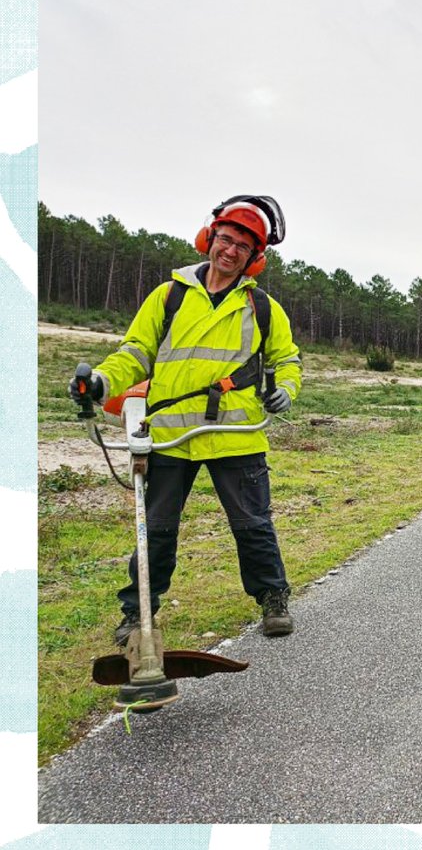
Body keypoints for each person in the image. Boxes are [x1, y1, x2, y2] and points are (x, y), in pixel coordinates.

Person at [70, 195, 303, 645]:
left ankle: (273, 598)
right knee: (155, 529)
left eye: (242, 247)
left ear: (255, 258)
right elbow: (135, 353)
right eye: (225, 239)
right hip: (170, 434)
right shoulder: (169, 296)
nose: (230, 251)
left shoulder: (262, 308)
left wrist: (286, 391)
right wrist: (101, 381)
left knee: (253, 525)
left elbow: (287, 361)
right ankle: (138, 612)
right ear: (208, 239)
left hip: (236, 433)